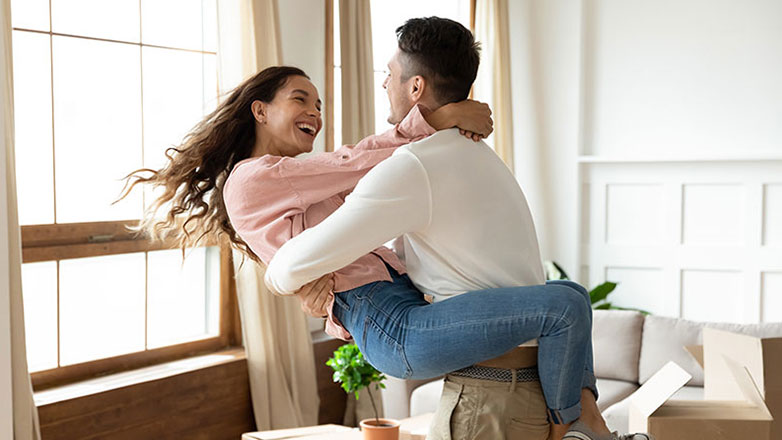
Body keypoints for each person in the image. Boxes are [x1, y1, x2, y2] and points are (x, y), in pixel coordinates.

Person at [119, 19, 649, 440]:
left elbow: (368, 219)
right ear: (259, 110)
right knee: (565, 306)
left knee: (568, 295)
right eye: (299, 99)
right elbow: (357, 164)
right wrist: (433, 119)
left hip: (395, 308)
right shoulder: (254, 179)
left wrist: (319, 298)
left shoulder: (300, 184)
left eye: (319, 103)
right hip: (390, 321)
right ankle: (581, 431)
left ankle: (584, 427)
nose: (315, 112)